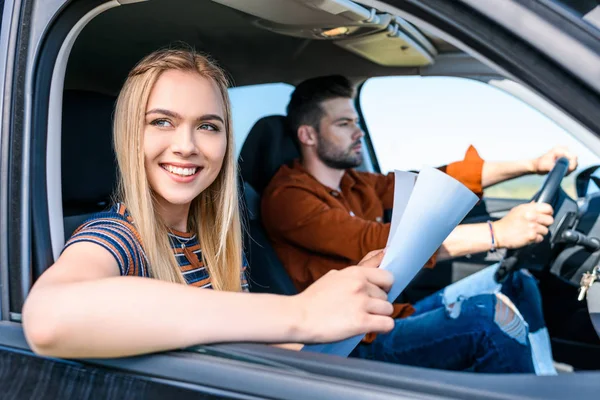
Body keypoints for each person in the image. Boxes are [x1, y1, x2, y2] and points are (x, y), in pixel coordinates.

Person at [21, 50, 398, 359]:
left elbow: (257, 346)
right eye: (162, 122)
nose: (187, 145)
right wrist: (300, 312)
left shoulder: (214, 239)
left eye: (208, 126)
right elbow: (48, 318)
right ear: (130, 136)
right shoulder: (118, 236)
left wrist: (343, 298)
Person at [261, 75, 578, 374]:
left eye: (356, 122)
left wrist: (532, 165)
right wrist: (498, 233)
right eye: (344, 124)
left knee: (518, 282)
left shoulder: (355, 183)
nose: (359, 132)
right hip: (353, 340)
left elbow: (439, 182)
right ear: (308, 135)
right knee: (487, 316)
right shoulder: (288, 198)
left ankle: (544, 380)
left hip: (388, 313)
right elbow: (383, 243)